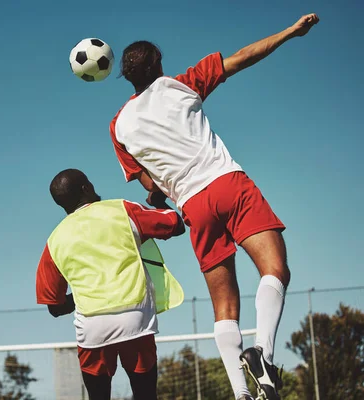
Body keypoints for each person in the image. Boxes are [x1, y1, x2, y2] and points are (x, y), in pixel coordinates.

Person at [108, 13, 319, 400]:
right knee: (274, 269)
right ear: (158, 64)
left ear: (127, 76)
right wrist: (290, 33)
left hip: (193, 205)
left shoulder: (119, 126)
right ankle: (265, 357)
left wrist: (161, 193)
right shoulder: (183, 84)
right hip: (227, 184)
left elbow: (151, 186)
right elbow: (244, 56)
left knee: (224, 305)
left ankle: (242, 393)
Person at [35, 169, 185, 400]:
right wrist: (158, 200)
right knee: (145, 395)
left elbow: (54, 307)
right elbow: (175, 224)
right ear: (86, 188)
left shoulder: (54, 240)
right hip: (135, 319)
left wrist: (83, 296)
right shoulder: (122, 210)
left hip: (92, 327)